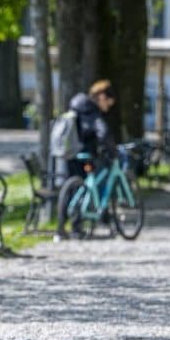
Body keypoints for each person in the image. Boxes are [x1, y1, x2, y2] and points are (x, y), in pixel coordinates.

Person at [56, 79, 117, 240]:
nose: (108, 108)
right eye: (109, 103)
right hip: (85, 153)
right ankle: (78, 227)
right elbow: (102, 131)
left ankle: (61, 229)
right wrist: (111, 150)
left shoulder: (76, 106)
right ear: (102, 97)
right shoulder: (92, 111)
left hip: (70, 152)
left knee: (72, 189)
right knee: (87, 186)